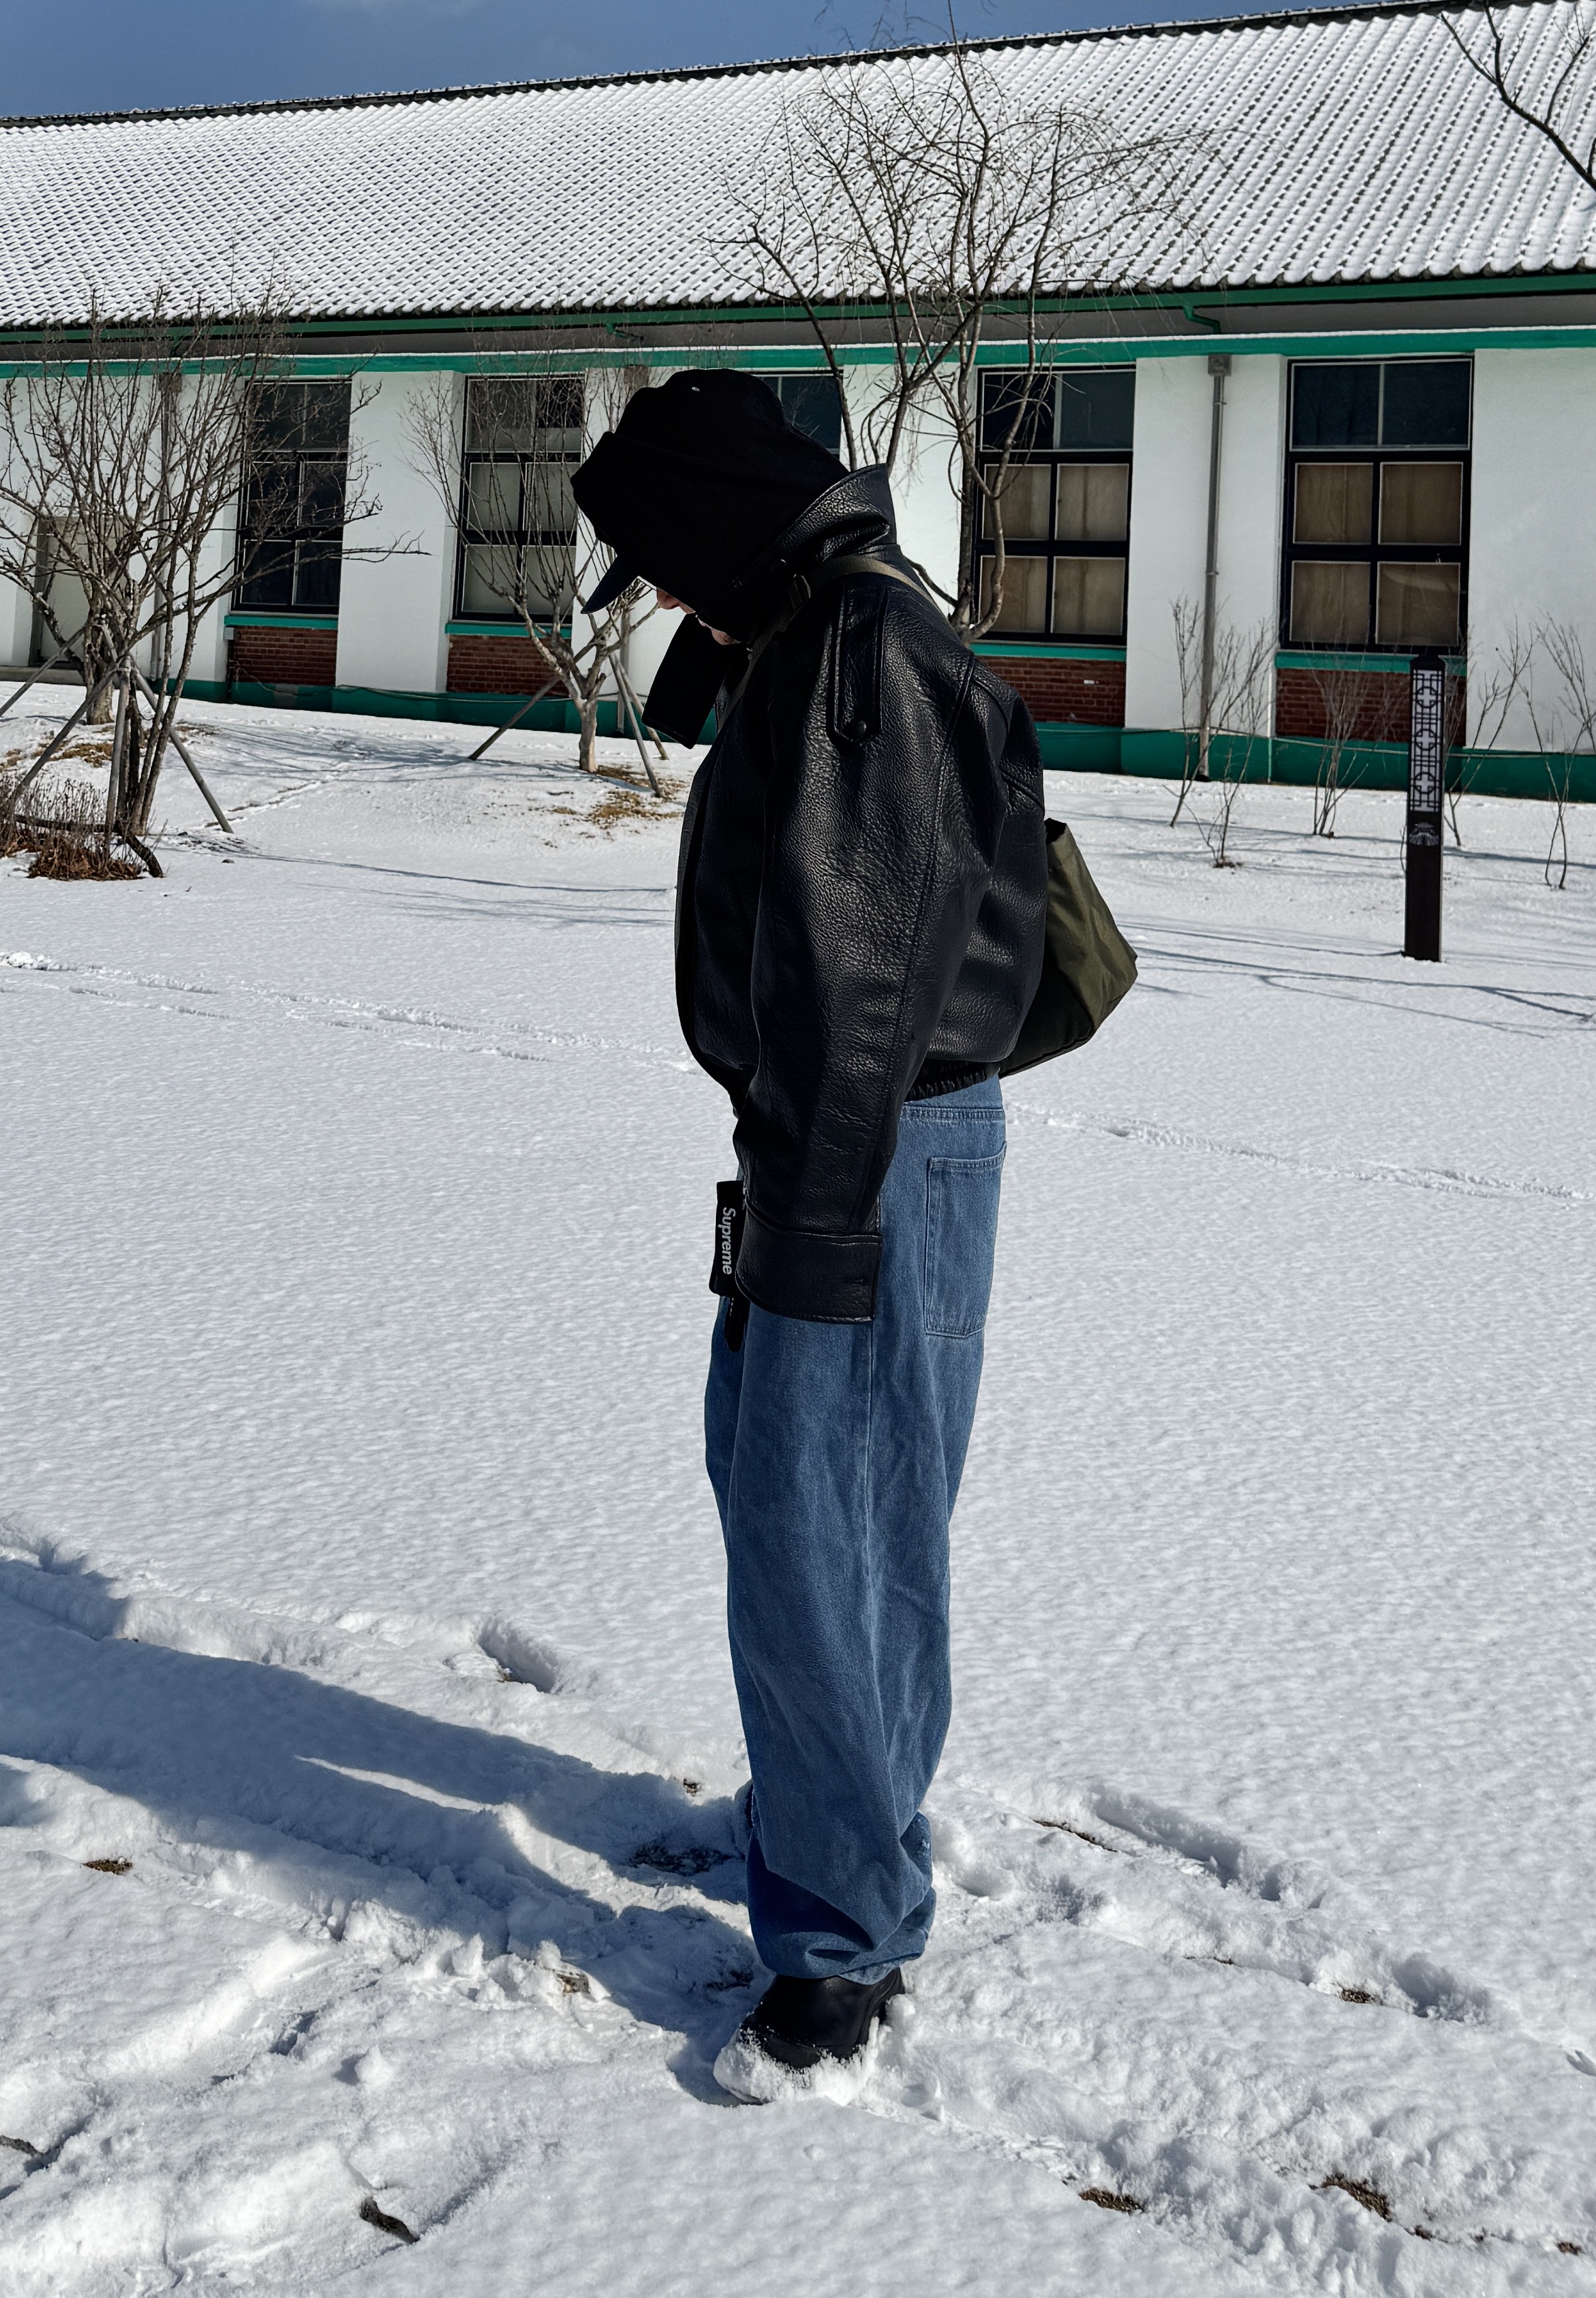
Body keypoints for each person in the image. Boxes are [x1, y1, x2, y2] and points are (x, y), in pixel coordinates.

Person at [573, 372, 1073, 2101]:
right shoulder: (837, 629)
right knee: (813, 1501)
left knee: (821, 1516)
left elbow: (862, 975)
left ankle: (840, 1937)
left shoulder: (858, 657)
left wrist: (812, 1216)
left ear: (722, 534)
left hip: (862, 1139)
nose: (675, 613)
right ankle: (824, 1804)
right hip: (852, 1137)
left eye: (671, 571)